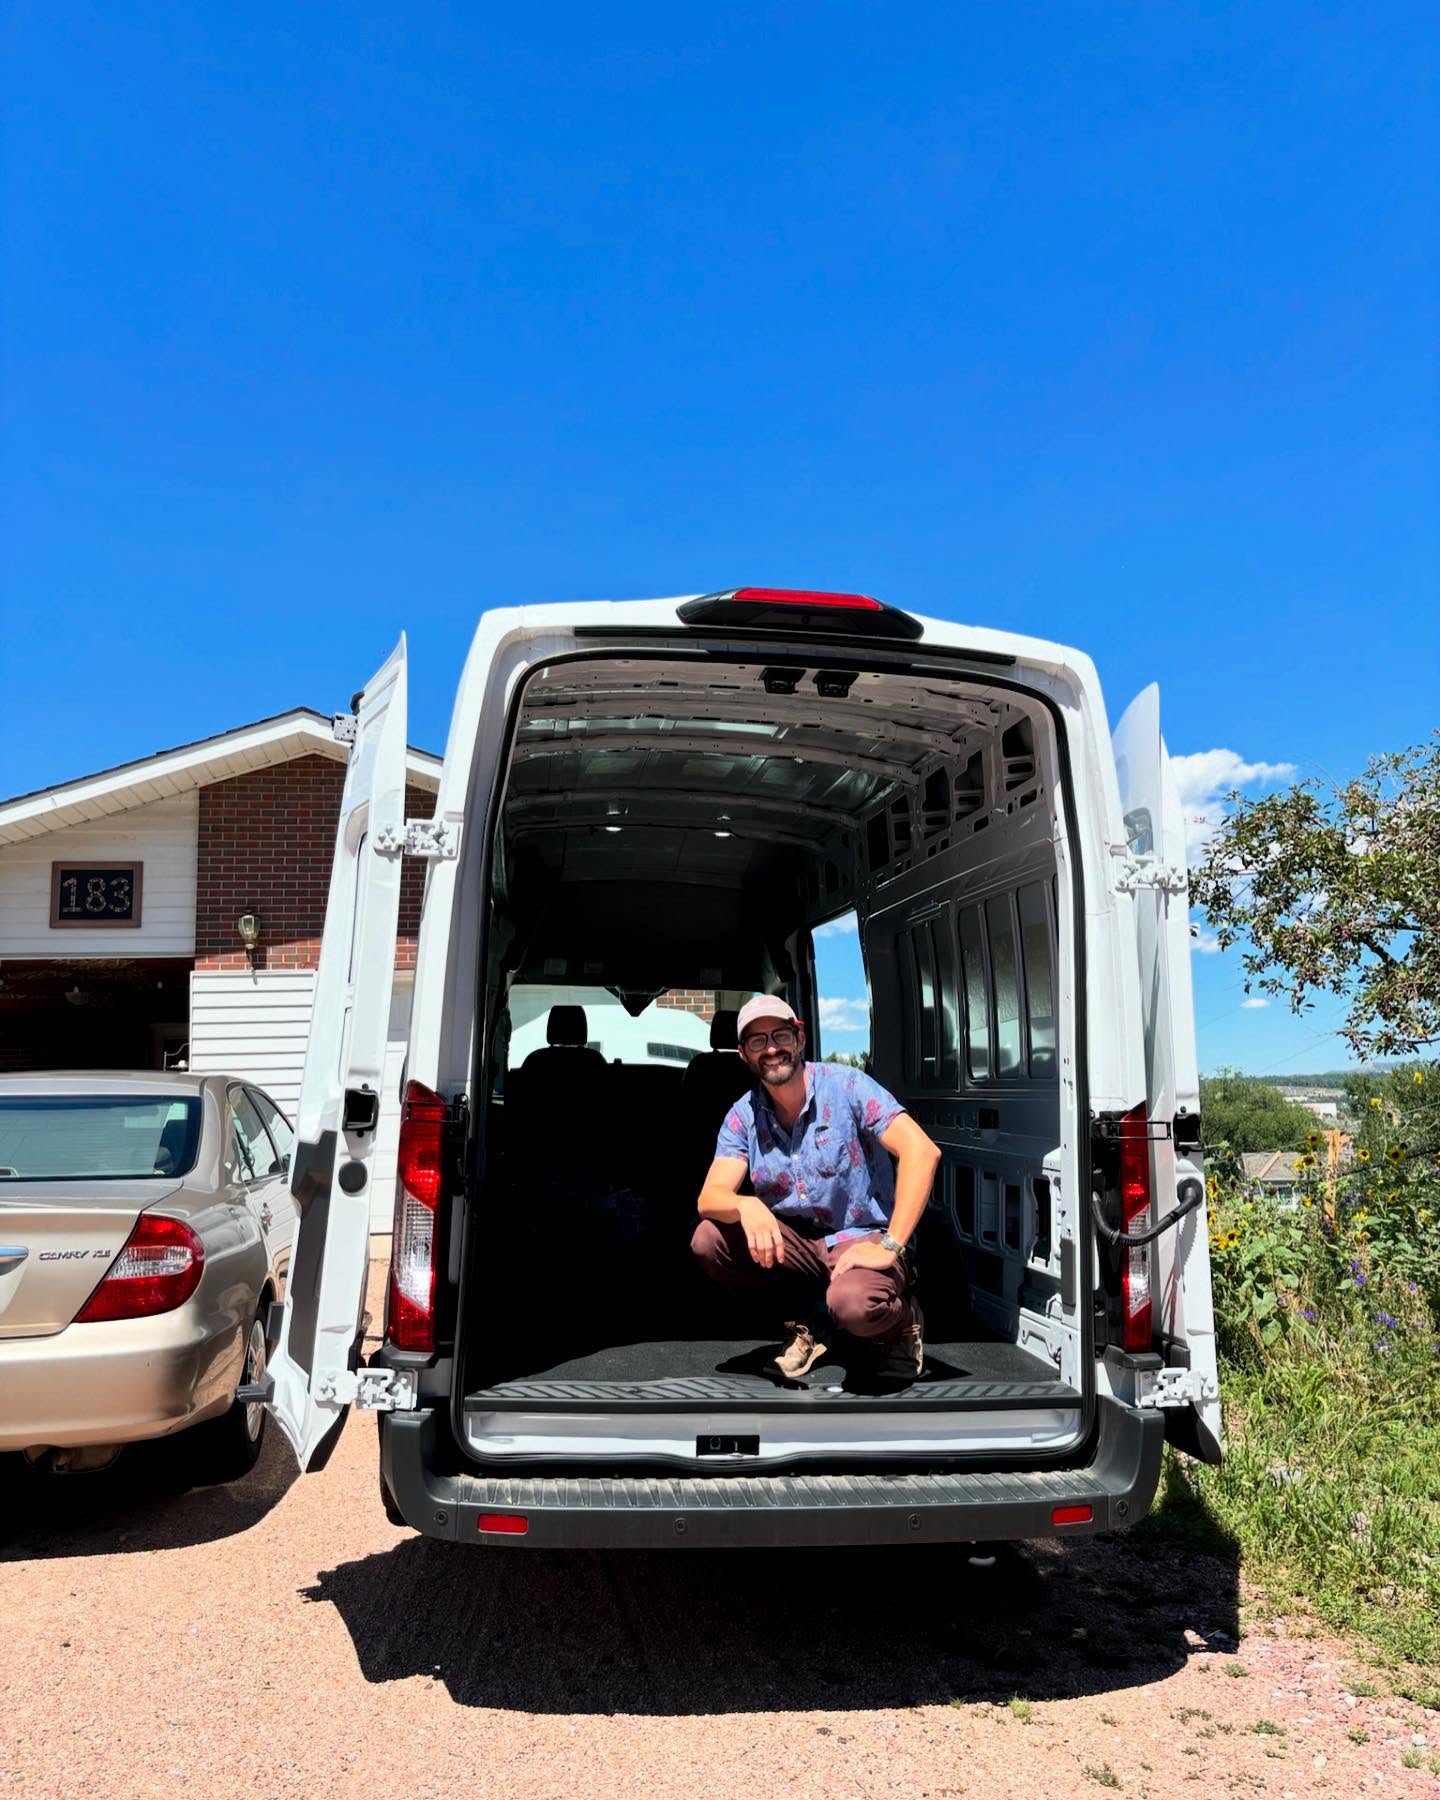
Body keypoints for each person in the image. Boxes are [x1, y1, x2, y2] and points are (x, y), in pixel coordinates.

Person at [691, 996, 942, 1381]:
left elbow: (921, 1152)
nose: (772, 1048)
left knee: (855, 1306)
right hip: (799, 1247)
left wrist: (891, 1245)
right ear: (743, 1054)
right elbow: (710, 1198)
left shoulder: (847, 1086)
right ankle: (805, 1322)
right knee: (710, 1240)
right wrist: (748, 1207)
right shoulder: (744, 1115)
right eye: (757, 1041)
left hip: (865, 1237)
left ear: (799, 1037)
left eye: (780, 1035)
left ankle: (900, 1328)